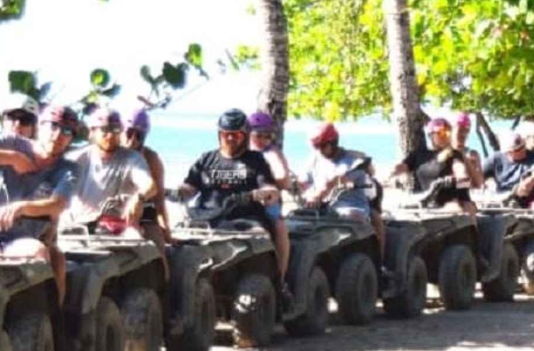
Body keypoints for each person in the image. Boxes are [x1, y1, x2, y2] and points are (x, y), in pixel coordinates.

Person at [0, 104, 81, 299]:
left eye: (66, 131)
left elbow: (58, 203)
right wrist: (11, 158)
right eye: (52, 126)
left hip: (18, 240)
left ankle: (46, 317)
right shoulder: (13, 144)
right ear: (41, 126)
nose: (57, 135)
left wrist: (22, 208)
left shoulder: (67, 169)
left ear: (71, 138)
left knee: (45, 254)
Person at [178, 109, 290, 284]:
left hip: (246, 220)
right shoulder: (207, 159)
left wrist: (263, 193)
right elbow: (190, 186)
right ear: (219, 134)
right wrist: (177, 192)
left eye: (236, 135)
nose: (230, 138)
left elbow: (269, 186)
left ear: (244, 135)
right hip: (207, 219)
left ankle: (279, 282)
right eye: (226, 134)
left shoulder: (255, 160)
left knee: (263, 240)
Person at [298, 121, 387, 260]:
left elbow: (333, 182)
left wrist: (317, 196)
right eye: (314, 146)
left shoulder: (355, 160)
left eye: (320, 146)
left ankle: (378, 262)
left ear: (332, 142)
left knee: (353, 217)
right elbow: (303, 182)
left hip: (352, 207)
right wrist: (297, 188)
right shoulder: (314, 159)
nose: (317, 150)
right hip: (321, 207)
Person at [64, 107, 153, 232]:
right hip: (78, 225)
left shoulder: (132, 159)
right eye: (105, 130)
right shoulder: (77, 158)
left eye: (115, 129)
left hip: (118, 227)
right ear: (92, 131)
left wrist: (138, 198)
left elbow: (149, 185)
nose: (110, 135)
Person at [487, 131, 534, 248]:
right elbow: (478, 177)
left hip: (532, 197)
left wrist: (529, 182)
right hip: (505, 199)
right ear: (508, 153)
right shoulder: (496, 158)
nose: (522, 150)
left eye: (523, 146)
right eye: (517, 149)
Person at [389, 116, 475, 212]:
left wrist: (460, 178)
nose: (446, 136)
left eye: (448, 132)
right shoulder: (419, 154)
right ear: (431, 135)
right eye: (441, 133)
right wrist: (391, 175)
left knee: (457, 208)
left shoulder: (454, 154)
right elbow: (402, 167)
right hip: (421, 200)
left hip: (448, 201)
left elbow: (460, 169)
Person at [124, 109, 172, 244]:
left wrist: (165, 228)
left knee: (158, 251)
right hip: (114, 213)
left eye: (139, 136)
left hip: (145, 213)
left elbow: (159, 199)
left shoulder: (151, 158)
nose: (133, 140)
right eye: (129, 134)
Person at [453, 112, 486, 188]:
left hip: (467, 193)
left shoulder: (472, 154)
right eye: (460, 129)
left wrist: (469, 163)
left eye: (466, 131)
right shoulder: (443, 153)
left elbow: (480, 184)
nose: (463, 134)